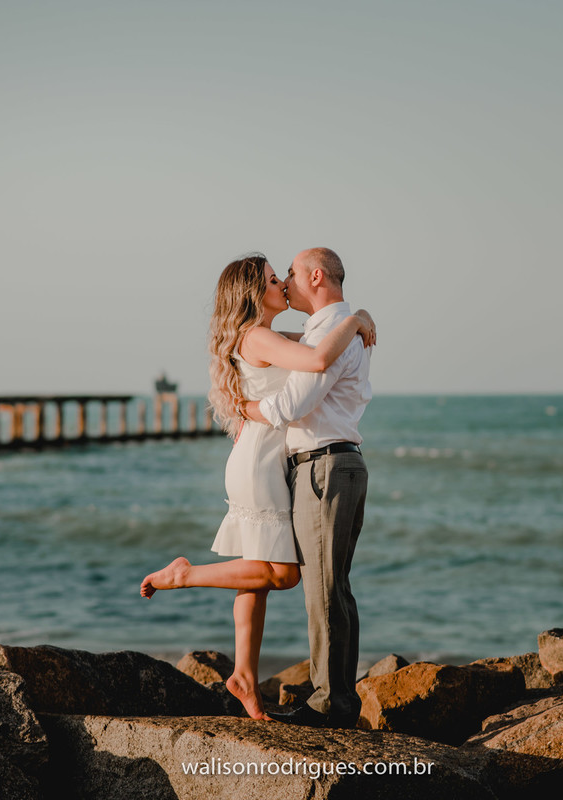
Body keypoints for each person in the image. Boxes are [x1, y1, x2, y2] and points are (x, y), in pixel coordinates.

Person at [140, 252, 374, 721]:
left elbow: (310, 345)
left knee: (257, 572)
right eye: (273, 279)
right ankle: (185, 574)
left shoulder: (263, 334)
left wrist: (347, 321)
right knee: (281, 573)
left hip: (263, 457)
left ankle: (244, 672)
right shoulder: (259, 335)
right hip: (261, 463)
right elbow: (317, 357)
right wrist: (359, 318)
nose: (282, 285)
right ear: (254, 293)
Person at [241, 247, 372, 728]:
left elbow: (292, 404)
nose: (286, 283)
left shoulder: (331, 336)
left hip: (325, 467)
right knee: (334, 587)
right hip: (335, 464)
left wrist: (244, 409)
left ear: (315, 275)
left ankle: (330, 704)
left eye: (291, 274)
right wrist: (359, 317)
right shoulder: (334, 329)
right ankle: (339, 698)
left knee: (324, 589)